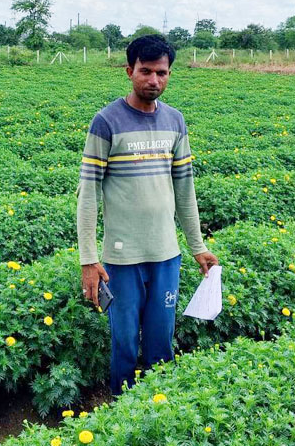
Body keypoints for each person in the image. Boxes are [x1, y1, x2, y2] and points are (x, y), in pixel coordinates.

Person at [76, 33, 219, 395]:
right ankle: (122, 406)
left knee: (161, 339)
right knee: (124, 342)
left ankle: (157, 408)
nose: (154, 80)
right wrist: (89, 260)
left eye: (162, 73)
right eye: (146, 71)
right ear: (130, 71)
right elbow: (88, 194)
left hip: (166, 254)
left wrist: (198, 246)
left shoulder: (175, 121)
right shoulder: (106, 122)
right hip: (122, 258)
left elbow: (185, 188)